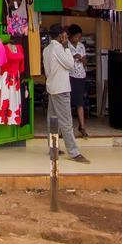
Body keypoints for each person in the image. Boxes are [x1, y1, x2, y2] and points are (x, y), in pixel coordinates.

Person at [43, 27, 90, 164]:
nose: (66, 36)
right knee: (66, 122)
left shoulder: (47, 49)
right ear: (60, 36)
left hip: (52, 87)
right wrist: (66, 48)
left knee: (52, 120)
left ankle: (53, 148)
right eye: (64, 34)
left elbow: (47, 70)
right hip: (61, 88)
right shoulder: (59, 49)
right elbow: (70, 64)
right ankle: (74, 152)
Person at [67, 23, 89, 139]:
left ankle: (82, 126)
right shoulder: (66, 46)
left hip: (81, 76)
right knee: (69, 103)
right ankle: (67, 128)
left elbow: (85, 62)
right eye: (76, 37)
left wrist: (81, 58)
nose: (77, 39)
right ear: (70, 36)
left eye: (79, 37)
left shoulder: (81, 46)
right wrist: (72, 58)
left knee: (80, 103)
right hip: (70, 76)